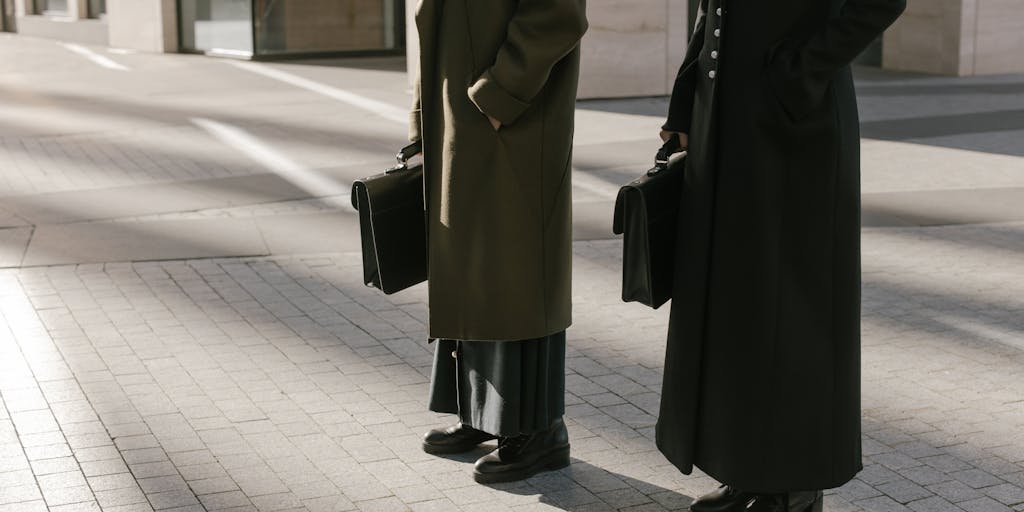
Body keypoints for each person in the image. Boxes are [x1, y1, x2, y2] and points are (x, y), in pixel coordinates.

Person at [656, 0, 906, 510]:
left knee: (791, 311)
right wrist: (685, 104)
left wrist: (800, 70)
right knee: (739, 305)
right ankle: (744, 467)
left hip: (797, 127)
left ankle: (793, 485)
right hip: (725, 124)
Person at [407, 0, 588, 484]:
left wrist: (497, 95)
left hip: (513, 121)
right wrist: (422, 124)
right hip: (462, 118)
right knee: (472, 267)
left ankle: (539, 432)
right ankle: (481, 414)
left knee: (515, 271)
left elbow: (560, 13)